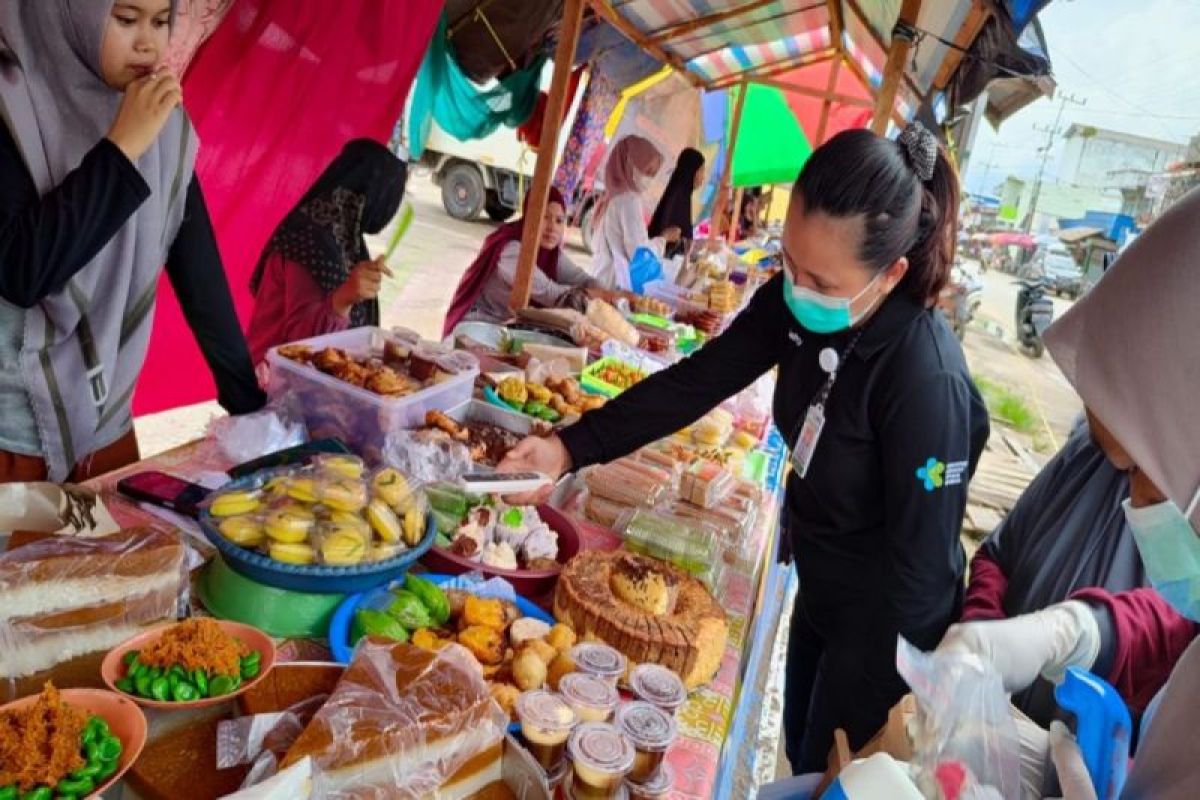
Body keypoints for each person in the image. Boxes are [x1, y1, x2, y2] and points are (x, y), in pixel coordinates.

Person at [500, 124, 989, 770]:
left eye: (819, 279)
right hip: (819, 590)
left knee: (828, 767)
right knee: (800, 747)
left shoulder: (925, 378)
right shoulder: (797, 302)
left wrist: (871, 728)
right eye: (789, 262)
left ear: (892, 274)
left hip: (882, 631)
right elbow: (696, 382)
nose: (795, 289)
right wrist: (568, 447)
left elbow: (922, 581)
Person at [937, 187, 1200, 799]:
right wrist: (1067, 632)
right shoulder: (1088, 458)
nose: (1132, 503)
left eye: (1141, 464)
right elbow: (1171, 625)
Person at [0, 0, 263, 483]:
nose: (147, 42)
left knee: (106, 558)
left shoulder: (158, 123)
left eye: (161, 21)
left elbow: (198, 271)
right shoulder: (10, 108)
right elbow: (22, 270)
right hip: (13, 440)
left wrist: (251, 405)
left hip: (105, 428)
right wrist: (121, 149)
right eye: (125, 19)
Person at [963, 419, 1195, 728]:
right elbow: (998, 555)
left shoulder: (1179, 528)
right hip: (989, 725)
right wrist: (983, 632)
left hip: (1080, 759)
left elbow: (1168, 626)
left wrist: (1076, 632)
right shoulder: (1084, 451)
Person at [245, 139, 407, 365]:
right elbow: (300, 345)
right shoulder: (309, 238)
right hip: (273, 380)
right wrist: (345, 297)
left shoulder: (343, 234)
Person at [442, 187, 621, 335]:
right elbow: (553, 295)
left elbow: (581, 278)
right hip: (478, 324)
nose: (552, 227)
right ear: (530, 216)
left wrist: (608, 294)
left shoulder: (549, 254)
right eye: (545, 217)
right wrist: (605, 297)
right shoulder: (511, 250)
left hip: (506, 327)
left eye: (559, 220)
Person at [590, 135, 680, 290]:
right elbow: (639, 253)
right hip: (614, 287)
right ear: (628, 164)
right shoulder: (628, 201)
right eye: (647, 170)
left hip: (598, 278)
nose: (649, 178)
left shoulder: (611, 196)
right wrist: (664, 238)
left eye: (653, 173)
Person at [647, 147, 705, 261]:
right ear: (692, 171)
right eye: (702, 171)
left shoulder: (681, 195)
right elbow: (675, 242)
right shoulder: (678, 198)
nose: (703, 177)